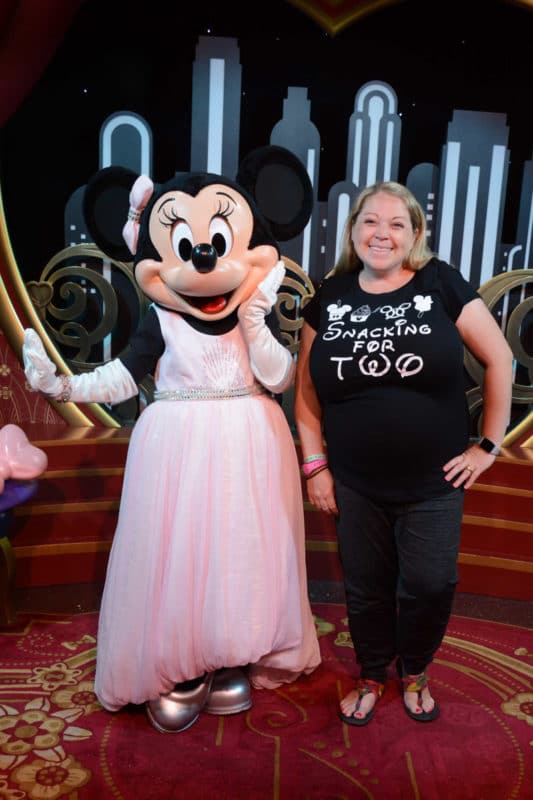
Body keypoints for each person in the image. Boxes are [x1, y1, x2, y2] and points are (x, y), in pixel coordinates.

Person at [23, 147, 320, 733]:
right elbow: (124, 375)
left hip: (252, 438)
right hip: (178, 441)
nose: (205, 260)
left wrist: (257, 321)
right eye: (185, 246)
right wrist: (63, 384)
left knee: (242, 550)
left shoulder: (255, 305)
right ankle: (180, 665)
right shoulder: (161, 315)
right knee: (179, 550)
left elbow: (281, 376)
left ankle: (233, 650)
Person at [294, 181, 513, 726]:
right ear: (353, 230)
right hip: (355, 481)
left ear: (415, 234)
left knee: (430, 583)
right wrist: (315, 466)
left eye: (397, 224)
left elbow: (501, 359)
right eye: (371, 221)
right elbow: (304, 393)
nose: (382, 233)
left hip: (434, 482)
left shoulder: (440, 283)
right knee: (364, 587)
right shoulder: (331, 293)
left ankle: (414, 668)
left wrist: (488, 445)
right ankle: (372, 673)